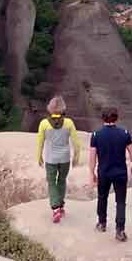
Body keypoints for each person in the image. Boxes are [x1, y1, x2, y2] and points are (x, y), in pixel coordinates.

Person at [89, 106, 132, 242]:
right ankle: (120, 231)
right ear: (116, 118)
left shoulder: (96, 135)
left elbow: (92, 157)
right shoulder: (124, 133)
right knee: (121, 201)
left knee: (102, 197)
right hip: (120, 173)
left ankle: (102, 223)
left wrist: (92, 173)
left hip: (104, 172)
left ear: (103, 118)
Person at [35, 96, 82, 224]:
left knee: (51, 182)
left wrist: (38, 156)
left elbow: (40, 142)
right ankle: (61, 206)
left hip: (50, 158)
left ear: (50, 108)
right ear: (62, 109)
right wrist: (76, 157)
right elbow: (76, 143)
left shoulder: (44, 124)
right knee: (62, 180)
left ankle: (55, 208)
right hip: (65, 158)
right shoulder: (69, 123)